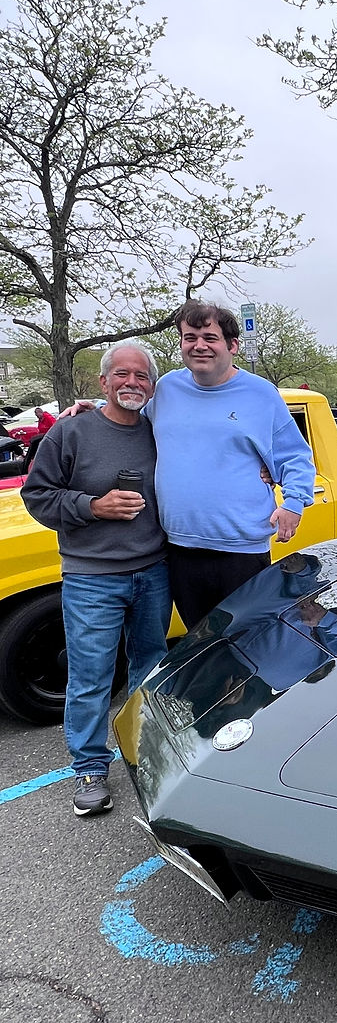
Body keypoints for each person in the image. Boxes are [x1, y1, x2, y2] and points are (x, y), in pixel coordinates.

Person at [22, 343, 171, 818]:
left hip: (154, 571)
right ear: (103, 382)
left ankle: (150, 754)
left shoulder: (159, 431)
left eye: (142, 376)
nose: (133, 383)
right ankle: (89, 767)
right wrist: (92, 507)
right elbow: (38, 495)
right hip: (92, 578)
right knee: (91, 677)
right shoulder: (71, 431)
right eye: (121, 375)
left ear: (152, 385)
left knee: (150, 667)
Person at [144, 300, 316, 629]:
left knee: (246, 647)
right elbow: (129, 418)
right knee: (200, 645)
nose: (199, 346)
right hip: (180, 548)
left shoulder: (261, 394)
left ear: (232, 345)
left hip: (241, 551)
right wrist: (89, 409)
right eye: (190, 337)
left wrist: (294, 502)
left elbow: (293, 456)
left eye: (210, 337)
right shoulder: (166, 388)